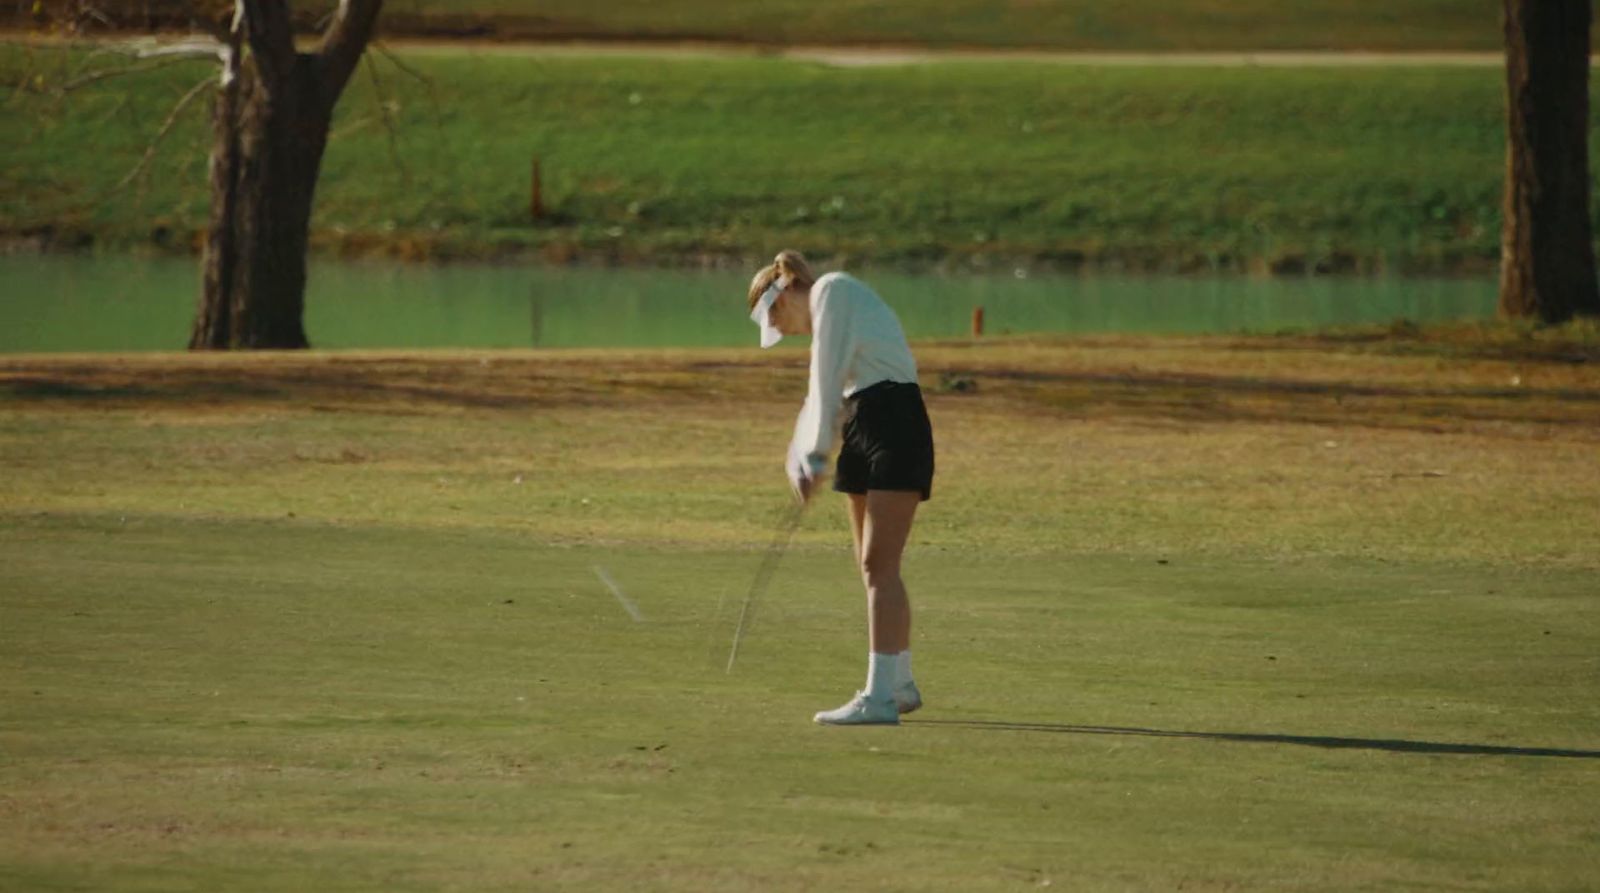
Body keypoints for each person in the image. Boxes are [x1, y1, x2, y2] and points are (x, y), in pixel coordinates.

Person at [746, 250, 936, 726]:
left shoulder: (832, 290)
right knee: (871, 567)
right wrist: (800, 462)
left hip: (894, 421)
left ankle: (878, 698)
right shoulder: (827, 314)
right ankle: (900, 684)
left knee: (879, 565)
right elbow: (821, 394)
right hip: (861, 423)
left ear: (785, 290)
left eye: (777, 319)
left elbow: (825, 376)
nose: (784, 330)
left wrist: (812, 457)